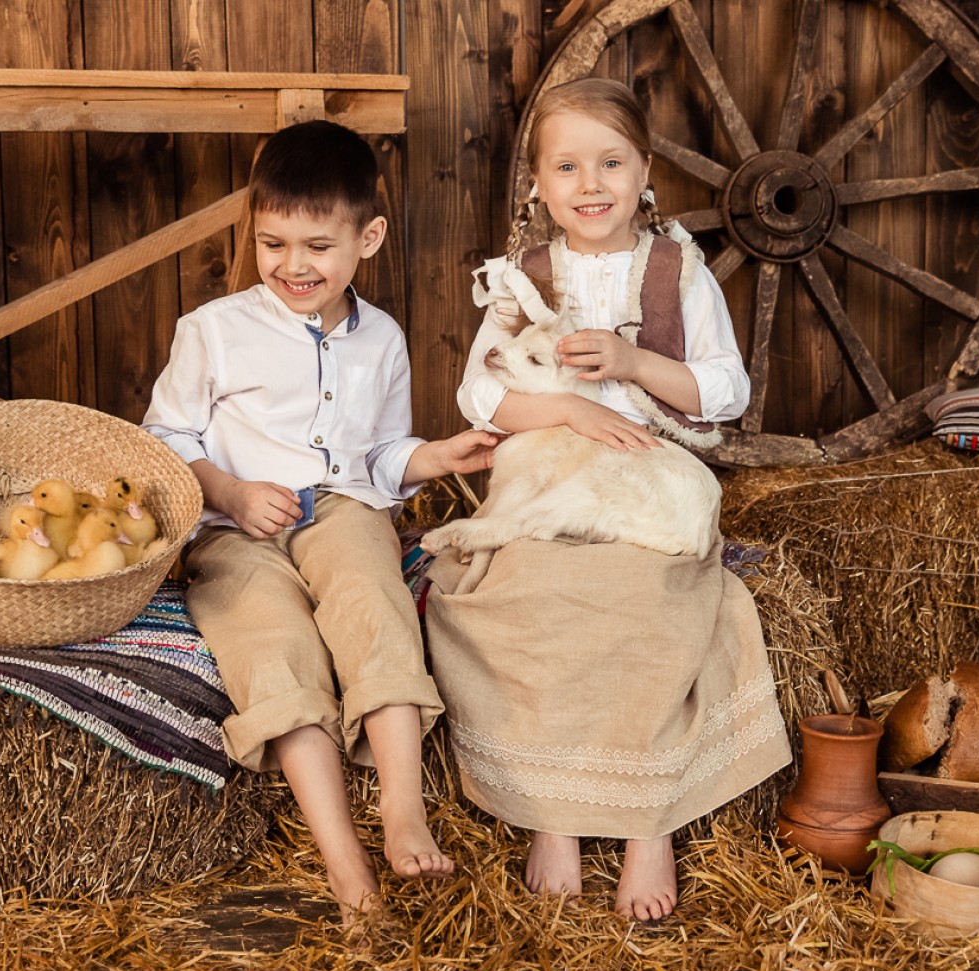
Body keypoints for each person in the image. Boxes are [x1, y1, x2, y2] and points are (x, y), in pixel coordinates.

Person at [425, 78, 792, 921]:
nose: (590, 186)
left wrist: (629, 367)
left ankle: (644, 819)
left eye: (610, 163)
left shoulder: (673, 270)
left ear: (644, 171)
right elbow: (479, 402)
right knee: (529, 595)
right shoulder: (523, 279)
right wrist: (562, 407)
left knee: (647, 602)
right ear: (539, 187)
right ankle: (553, 813)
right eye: (566, 168)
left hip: (643, 477)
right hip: (550, 470)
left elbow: (724, 389)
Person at [142, 120, 499, 920]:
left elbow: (380, 454)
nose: (292, 266)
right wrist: (230, 495)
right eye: (272, 244)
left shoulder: (384, 340)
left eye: (316, 246)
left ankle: (403, 809)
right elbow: (163, 439)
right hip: (235, 531)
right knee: (270, 643)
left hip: (342, 509)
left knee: (370, 603)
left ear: (365, 237)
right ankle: (345, 863)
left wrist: (434, 458)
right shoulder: (214, 330)